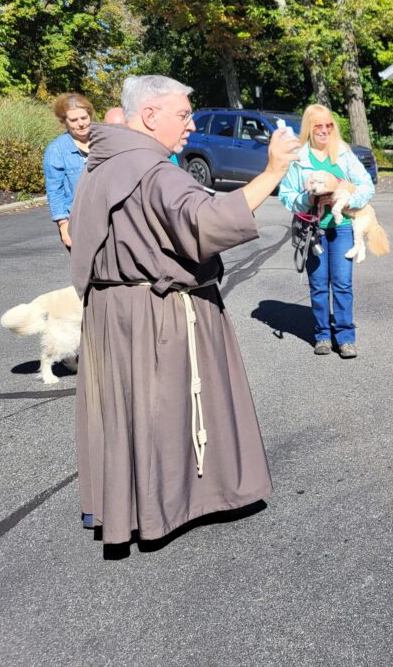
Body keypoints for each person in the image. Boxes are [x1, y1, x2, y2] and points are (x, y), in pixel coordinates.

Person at [68, 75, 300, 546]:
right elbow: (207, 221)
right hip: (156, 310)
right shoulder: (153, 169)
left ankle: (130, 509)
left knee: (131, 410)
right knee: (161, 406)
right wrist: (273, 171)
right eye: (182, 114)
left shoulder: (102, 162)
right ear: (149, 115)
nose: (191, 125)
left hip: (113, 312)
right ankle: (166, 509)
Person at [278, 104, 375, 358]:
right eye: (318, 126)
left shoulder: (343, 154)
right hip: (312, 229)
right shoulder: (299, 159)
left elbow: (367, 185)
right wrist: (308, 200)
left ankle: (345, 337)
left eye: (328, 125)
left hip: (342, 227)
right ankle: (322, 335)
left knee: (342, 283)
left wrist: (347, 199)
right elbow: (286, 195)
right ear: (309, 129)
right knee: (319, 284)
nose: (324, 130)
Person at [43, 93, 95, 250]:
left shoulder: (103, 142)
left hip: (108, 218)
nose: (81, 124)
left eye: (84, 118)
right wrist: (63, 225)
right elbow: (54, 190)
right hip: (77, 221)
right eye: (73, 120)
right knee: (88, 273)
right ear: (64, 121)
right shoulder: (57, 150)